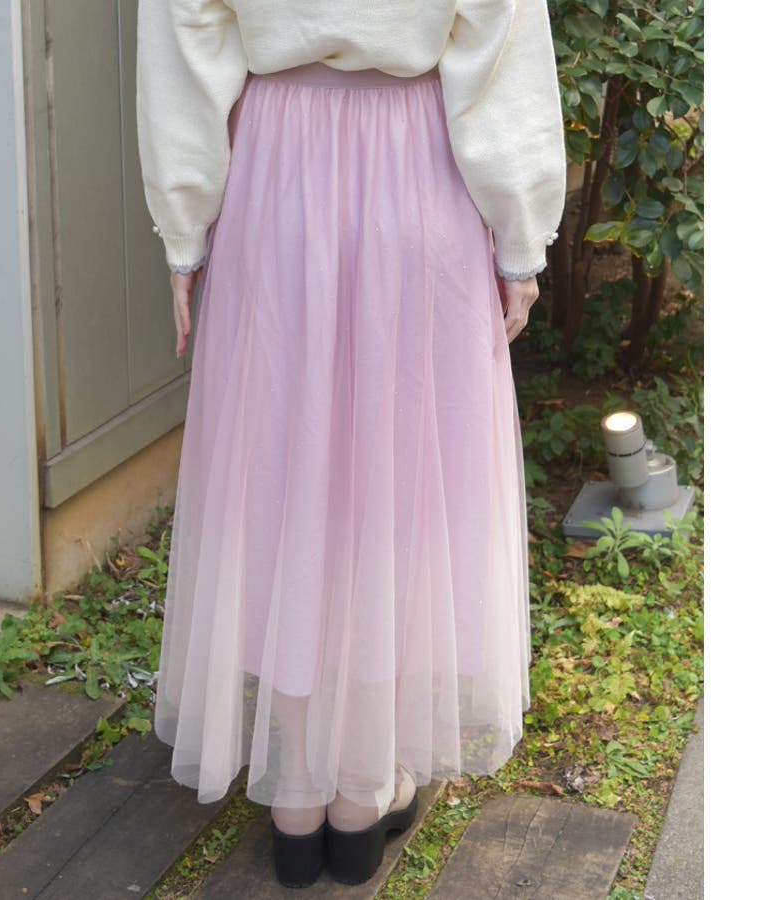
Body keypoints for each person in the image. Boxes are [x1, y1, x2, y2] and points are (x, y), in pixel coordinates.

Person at [136, 0, 566, 888]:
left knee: (282, 474)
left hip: (276, 174)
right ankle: (364, 786)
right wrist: (520, 238)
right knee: (395, 481)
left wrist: (185, 231)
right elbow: (498, 38)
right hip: (417, 166)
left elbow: (188, 32)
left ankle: (297, 789)